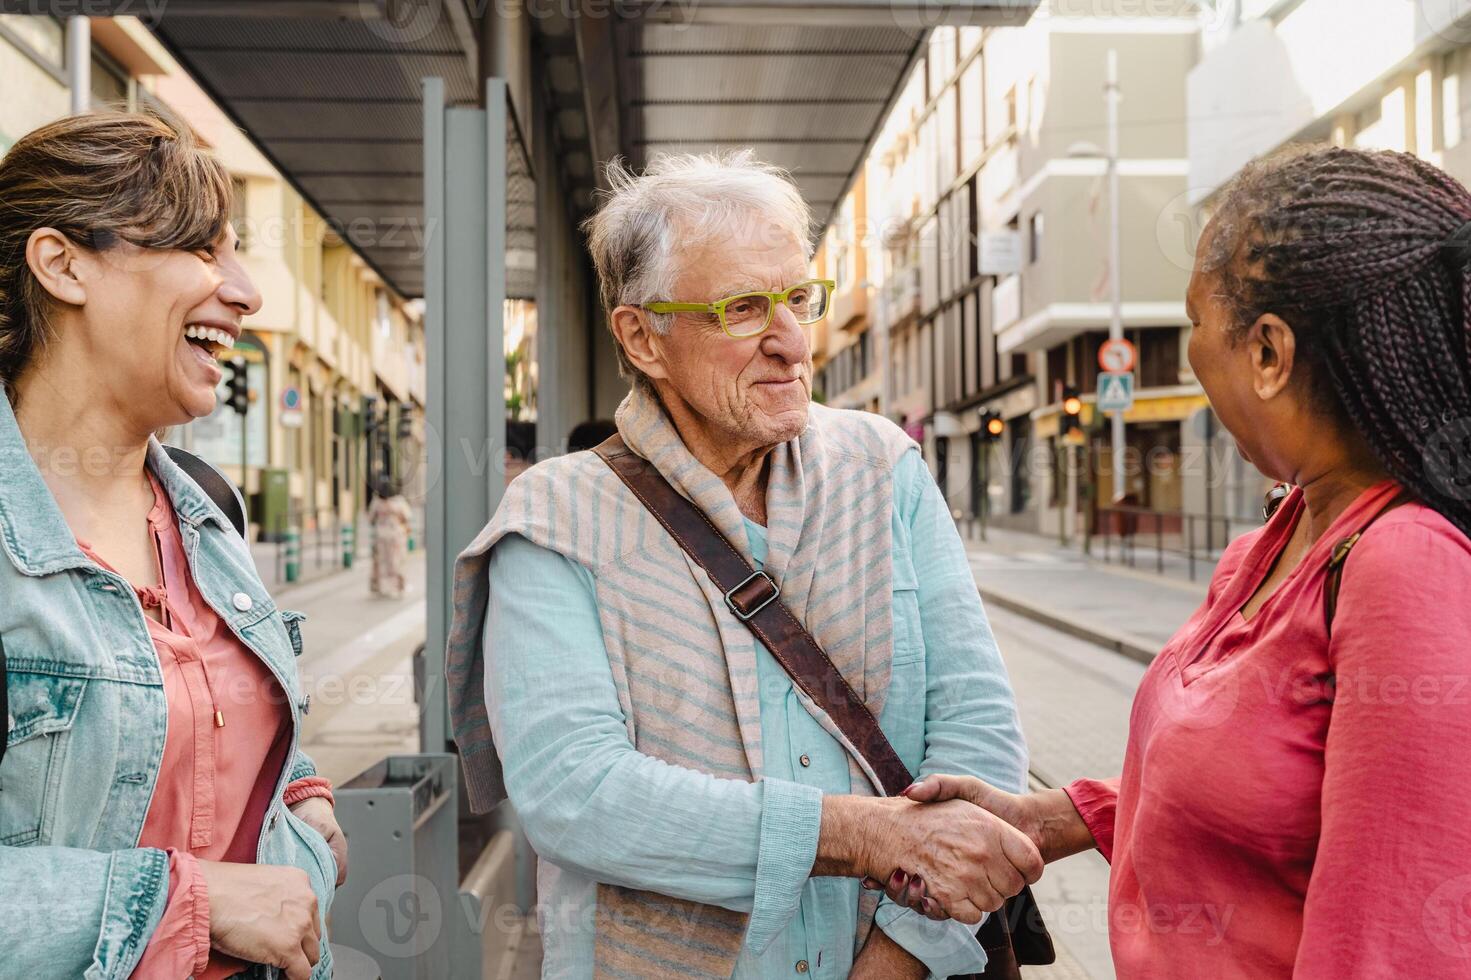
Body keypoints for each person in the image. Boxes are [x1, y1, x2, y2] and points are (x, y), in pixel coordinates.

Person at [444, 151, 1040, 979]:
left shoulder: (884, 469)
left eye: (798, 297)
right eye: (743, 307)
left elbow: (976, 724)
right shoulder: (555, 519)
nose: (792, 341)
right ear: (641, 337)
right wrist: (859, 834)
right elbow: (574, 794)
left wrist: (904, 952)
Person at [894, 145, 1471, 977]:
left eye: (1194, 322)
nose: (1194, 352)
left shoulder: (1403, 566)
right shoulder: (1271, 546)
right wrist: (1053, 817)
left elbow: (1389, 946)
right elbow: (1270, 806)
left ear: (1268, 353)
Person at [0, 111, 344, 979]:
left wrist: (297, 790)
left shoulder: (205, 509)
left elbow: (202, 707)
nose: (245, 290)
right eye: (202, 249)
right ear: (63, 264)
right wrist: (191, 902)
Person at [368, 477, 413, 598]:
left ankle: (380, 587)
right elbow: (407, 517)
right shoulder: (399, 502)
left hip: (381, 536)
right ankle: (399, 587)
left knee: (381, 562)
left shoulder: (377, 502)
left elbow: (370, 519)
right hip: (396, 536)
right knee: (397, 561)